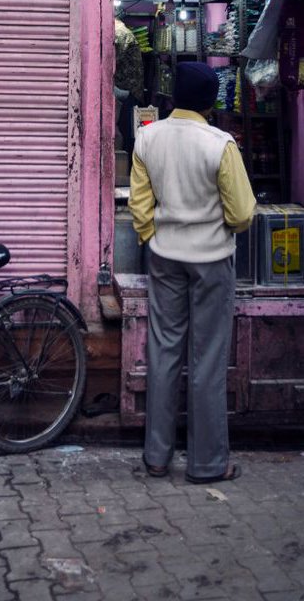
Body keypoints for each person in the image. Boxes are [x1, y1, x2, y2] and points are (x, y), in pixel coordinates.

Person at [128, 61, 256, 484]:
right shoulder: (220, 144)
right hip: (212, 260)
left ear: (173, 97)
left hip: (164, 258)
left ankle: (157, 457)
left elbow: (140, 208)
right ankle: (206, 464)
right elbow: (241, 214)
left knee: (163, 353)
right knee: (207, 360)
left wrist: (154, 239)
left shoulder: (148, 137)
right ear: (210, 102)